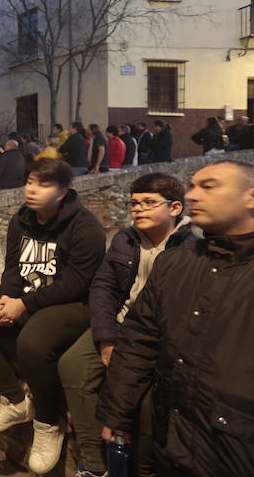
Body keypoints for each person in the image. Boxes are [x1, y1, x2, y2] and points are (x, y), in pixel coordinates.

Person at [98, 160, 254, 476]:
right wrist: (117, 412)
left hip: (252, 457)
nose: (193, 196)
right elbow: (138, 340)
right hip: (173, 442)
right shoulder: (175, 263)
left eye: (209, 186)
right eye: (192, 186)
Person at [0, 159, 106, 474]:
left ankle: (48, 423)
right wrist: (6, 297)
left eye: (42, 184)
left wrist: (24, 305)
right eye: (29, 181)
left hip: (72, 303)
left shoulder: (86, 228)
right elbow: (13, 267)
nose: (31, 189)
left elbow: (76, 284)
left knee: (33, 342)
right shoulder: (21, 220)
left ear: (63, 192)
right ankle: (15, 400)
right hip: (27, 294)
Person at [58, 173, 195, 477]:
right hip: (117, 325)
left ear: (175, 208)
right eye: (134, 203)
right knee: (72, 366)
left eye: (148, 203)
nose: (138, 209)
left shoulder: (190, 251)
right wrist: (106, 338)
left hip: (154, 340)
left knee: (147, 405)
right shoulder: (125, 239)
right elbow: (103, 288)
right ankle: (94, 464)